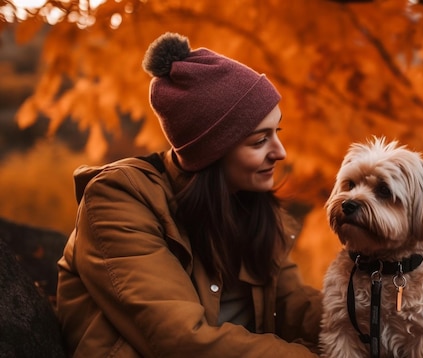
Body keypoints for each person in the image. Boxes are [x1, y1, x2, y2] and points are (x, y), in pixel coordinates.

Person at [55, 32, 322, 357]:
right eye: (258, 141)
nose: (280, 152)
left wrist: (372, 324)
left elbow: (293, 305)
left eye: (276, 132)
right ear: (212, 152)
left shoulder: (251, 203)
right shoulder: (118, 200)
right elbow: (180, 340)